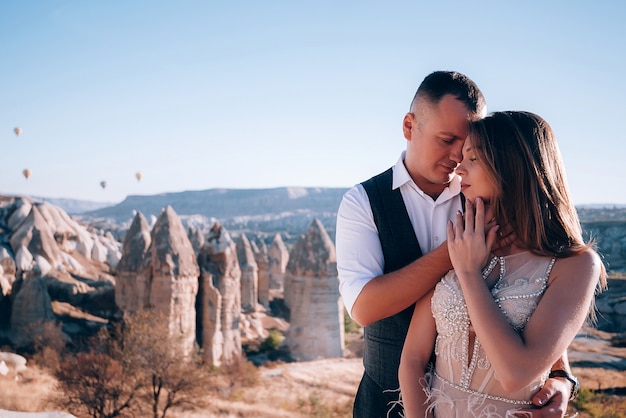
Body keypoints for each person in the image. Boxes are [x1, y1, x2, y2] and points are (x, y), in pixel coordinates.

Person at [336, 71, 574, 418]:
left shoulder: (486, 194)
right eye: (446, 139)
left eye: (468, 146)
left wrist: (561, 374)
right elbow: (363, 308)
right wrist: (455, 255)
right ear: (409, 126)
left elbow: (534, 290)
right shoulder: (363, 202)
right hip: (384, 401)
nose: (458, 157)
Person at [398, 111, 607, 417]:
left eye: (473, 158)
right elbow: (413, 358)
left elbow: (515, 374)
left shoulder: (575, 265)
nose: (458, 170)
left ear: (512, 166)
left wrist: (468, 272)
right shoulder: (460, 235)